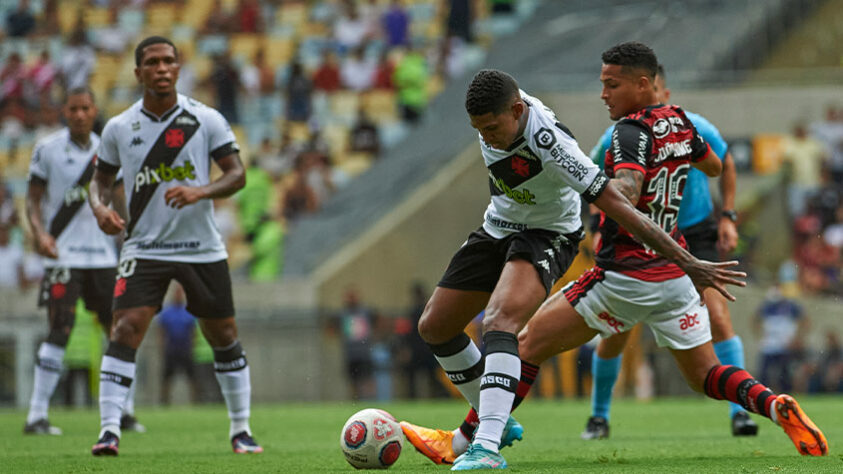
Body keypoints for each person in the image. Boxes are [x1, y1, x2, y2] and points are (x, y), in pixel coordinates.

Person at [400, 43, 826, 470]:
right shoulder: (682, 122)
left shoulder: (621, 134)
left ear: (643, 84)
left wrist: (607, 189)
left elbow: (624, 196)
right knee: (705, 374)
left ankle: (479, 440)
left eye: (611, 84)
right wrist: (698, 227)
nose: (603, 93)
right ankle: (771, 404)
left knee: (519, 338)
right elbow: (716, 166)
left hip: (622, 273)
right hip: (671, 278)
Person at [87, 36, 262, 456]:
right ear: (138, 73)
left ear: (178, 69)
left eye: (169, 61)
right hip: (144, 247)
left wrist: (201, 191)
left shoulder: (206, 119)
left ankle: (241, 429)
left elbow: (236, 174)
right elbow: (100, 182)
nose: (162, 68)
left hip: (201, 247)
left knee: (223, 333)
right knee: (125, 328)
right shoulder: (117, 128)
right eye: (152, 62)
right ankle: (109, 430)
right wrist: (99, 208)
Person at [581, 64, 756, 440]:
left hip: (693, 230)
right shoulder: (618, 135)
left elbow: (720, 163)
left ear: (662, 91)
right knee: (617, 332)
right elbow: (595, 179)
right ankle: (599, 416)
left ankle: (740, 413)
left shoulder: (692, 125)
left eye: (659, 92)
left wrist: (727, 216)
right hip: (641, 237)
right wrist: (597, 225)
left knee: (719, 316)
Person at [23, 87, 144, 435]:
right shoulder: (47, 149)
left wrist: (129, 240)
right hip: (63, 255)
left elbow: (119, 199)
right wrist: (39, 234)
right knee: (59, 328)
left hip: (103, 257)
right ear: (64, 111)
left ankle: (125, 411)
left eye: (85, 108)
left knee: (119, 332)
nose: (78, 114)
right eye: (73, 108)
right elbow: (32, 200)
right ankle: (36, 415)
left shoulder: (108, 149)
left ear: (94, 111)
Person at [157, 283, 200, 404]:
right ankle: (164, 401)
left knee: (192, 377)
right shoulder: (166, 312)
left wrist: (193, 347)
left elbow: (193, 332)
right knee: (167, 378)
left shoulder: (189, 311)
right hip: (171, 349)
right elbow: (161, 331)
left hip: (185, 349)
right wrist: (162, 347)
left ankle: (196, 401)